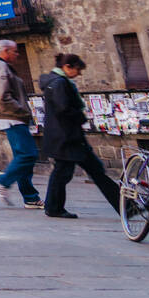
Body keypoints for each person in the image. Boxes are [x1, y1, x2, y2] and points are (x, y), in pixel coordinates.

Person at [41, 53, 122, 219]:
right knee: (74, 172)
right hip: (67, 137)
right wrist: (81, 116)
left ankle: (53, 207)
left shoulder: (54, 81)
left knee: (74, 172)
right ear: (67, 67)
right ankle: (53, 207)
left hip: (64, 136)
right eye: (77, 70)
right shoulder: (60, 83)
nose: (79, 74)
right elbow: (63, 109)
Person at [0, 39, 41, 208]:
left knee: (22, 157)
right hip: (12, 118)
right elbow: (2, 95)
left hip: (13, 117)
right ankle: (2, 182)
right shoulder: (0, 67)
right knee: (28, 154)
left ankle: (30, 197)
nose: (17, 55)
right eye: (15, 51)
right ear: (5, 51)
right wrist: (21, 111)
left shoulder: (2, 67)